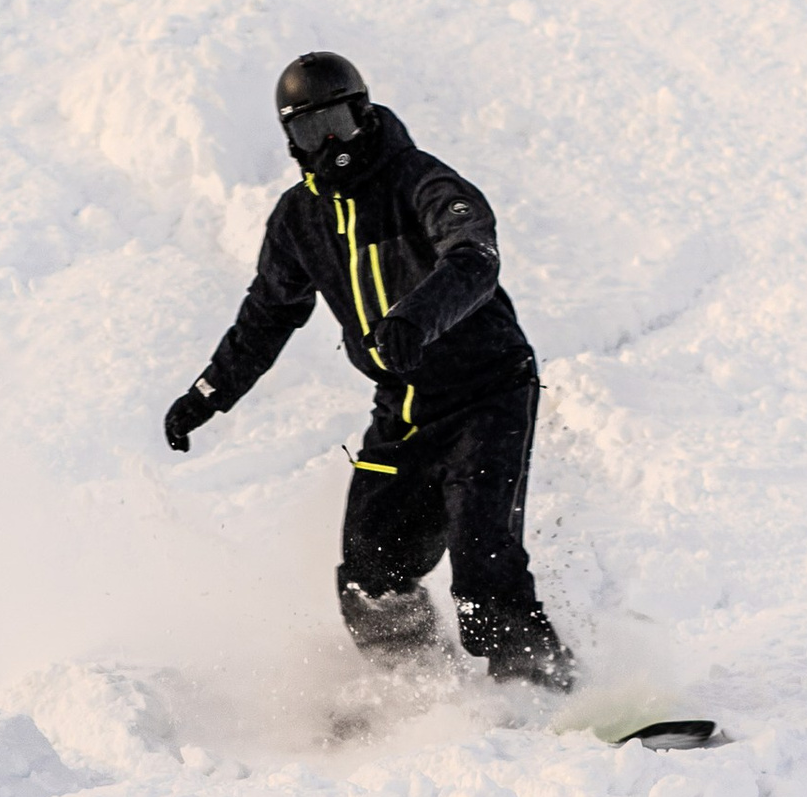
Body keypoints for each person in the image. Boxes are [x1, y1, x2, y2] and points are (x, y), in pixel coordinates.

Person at [163, 53, 578, 691]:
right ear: (291, 141)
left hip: (486, 392)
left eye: (339, 122)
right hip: (404, 409)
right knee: (370, 573)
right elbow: (268, 315)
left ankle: (543, 686)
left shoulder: (421, 182)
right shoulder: (300, 219)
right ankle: (419, 693)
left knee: (481, 567)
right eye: (309, 131)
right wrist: (209, 393)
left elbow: (474, 255)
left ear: (364, 112)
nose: (329, 143)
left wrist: (418, 318)